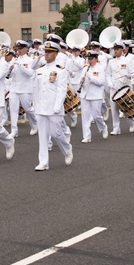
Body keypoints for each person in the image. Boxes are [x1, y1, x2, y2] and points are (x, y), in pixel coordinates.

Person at [33, 40, 73, 171]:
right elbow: (36, 89)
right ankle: (43, 162)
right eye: (46, 52)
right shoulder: (40, 70)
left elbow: (61, 90)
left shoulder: (61, 71)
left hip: (54, 108)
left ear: (56, 54)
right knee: (43, 135)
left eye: (50, 52)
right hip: (41, 108)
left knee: (56, 133)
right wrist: (35, 106)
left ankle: (67, 149)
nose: (47, 54)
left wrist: (57, 107)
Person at [7, 40, 38, 137]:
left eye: (20, 49)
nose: (19, 50)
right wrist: (10, 69)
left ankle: (35, 124)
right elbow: (10, 76)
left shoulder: (30, 60)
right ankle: (14, 130)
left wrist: (20, 66)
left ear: (26, 49)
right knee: (13, 109)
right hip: (14, 88)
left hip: (25, 88)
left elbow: (30, 74)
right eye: (18, 48)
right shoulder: (14, 60)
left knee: (28, 109)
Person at [79, 50, 109, 142]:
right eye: (88, 58)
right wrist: (82, 81)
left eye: (91, 59)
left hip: (96, 95)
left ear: (96, 59)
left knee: (96, 115)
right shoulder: (85, 68)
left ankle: (103, 127)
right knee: (85, 116)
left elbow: (101, 82)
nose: (89, 60)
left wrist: (90, 77)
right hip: (85, 94)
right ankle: (87, 136)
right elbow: (80, 80)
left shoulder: (100, 69)